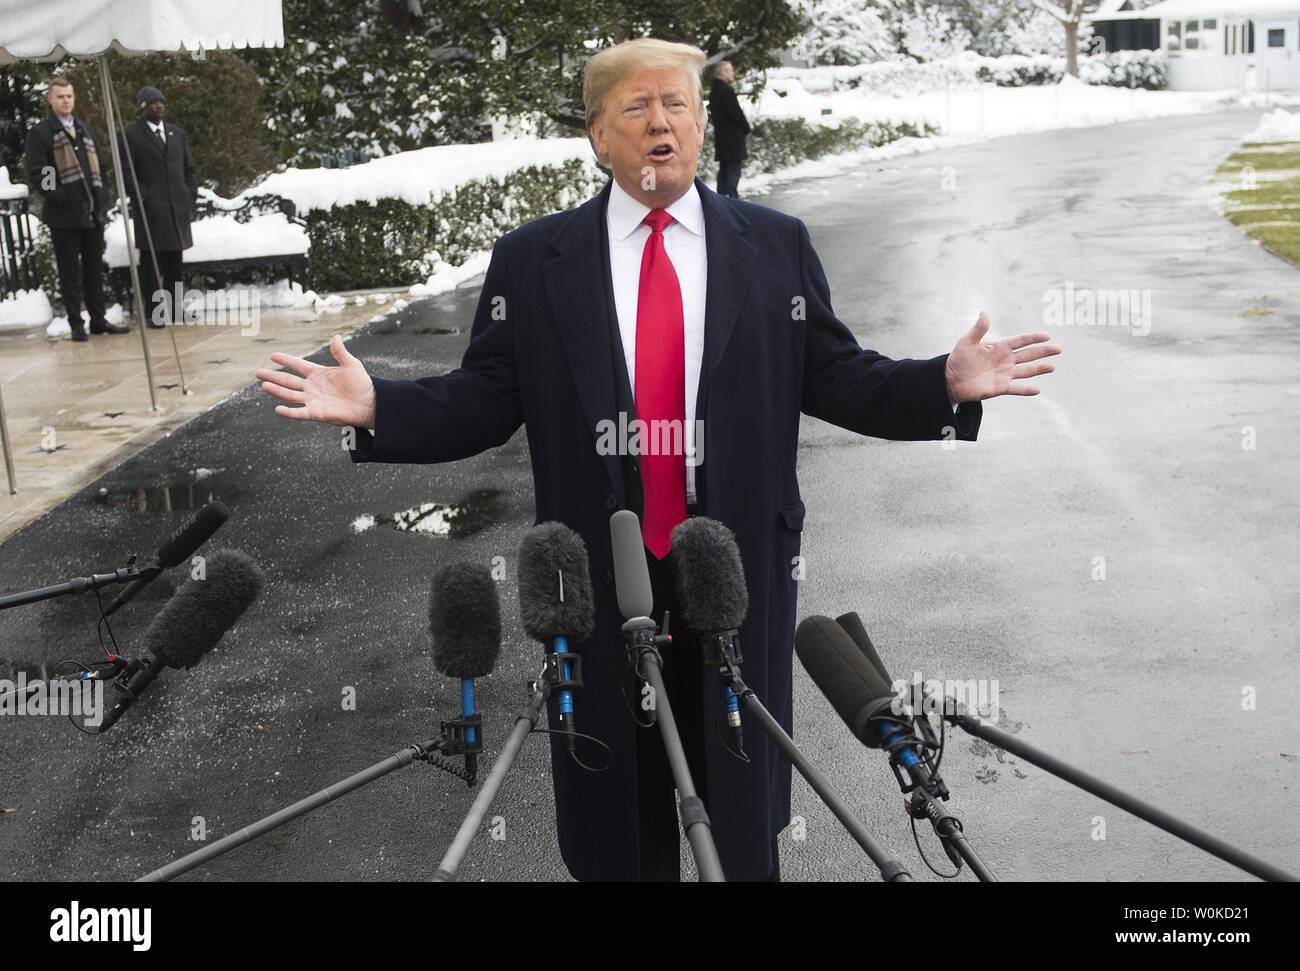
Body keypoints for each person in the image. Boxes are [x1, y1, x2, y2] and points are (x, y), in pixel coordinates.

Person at [256, 38, 1059, 882]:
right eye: (635, 109)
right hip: (599, 589)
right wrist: (383, 404)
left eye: (677, 105)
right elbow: (486, 398)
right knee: (616, 826)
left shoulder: (774, 245)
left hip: (732, 576)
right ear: (597, 136)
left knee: (741, 822)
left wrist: (944, 384)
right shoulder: (535, 262)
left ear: (702, 125)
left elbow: (839, 377)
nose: (660, 125)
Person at [23, 76, 127, 341]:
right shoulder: (42, 133)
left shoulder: (84, 129)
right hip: (64, 216)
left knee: (93, 269)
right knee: (69, 271)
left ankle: (98, 319)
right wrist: (58, 195)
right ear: (50, 99)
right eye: (60, 96)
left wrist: (102, 195)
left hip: (92, 212)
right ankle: (76, 323)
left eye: (69, 96)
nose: (66, 100)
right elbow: (39, 171)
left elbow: (101, 167)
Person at [120, 85, 197, 327]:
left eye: (161, 101)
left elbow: (189, 168)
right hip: (150, 212)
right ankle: (154, 313)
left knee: (175, 263)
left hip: (176, 210)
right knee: (152, 264)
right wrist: (144, 196)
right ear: (143, 107)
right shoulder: (131, 134)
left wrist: (188, 193)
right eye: (153, 102)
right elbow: (126, 172)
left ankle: (176, 308)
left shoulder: (177, 134)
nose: (159, 106)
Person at [708, 60, 750, 198]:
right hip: (733, 138)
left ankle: (721, 199)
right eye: (731, 70)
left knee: (724, 169)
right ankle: (733, 200)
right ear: (723, 72)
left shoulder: (714, 90)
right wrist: (746, 127)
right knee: (733, 170)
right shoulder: (726, 90)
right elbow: (736, 113)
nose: (733, 73)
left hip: (722, 137)